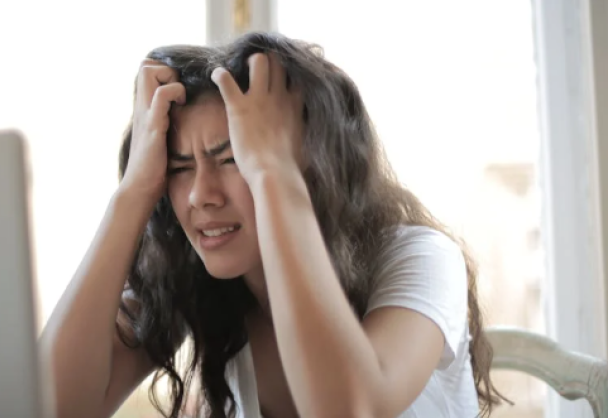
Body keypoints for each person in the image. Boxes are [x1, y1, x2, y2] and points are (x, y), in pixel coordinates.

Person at [40, 32, 506, 418]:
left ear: (314, 165)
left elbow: (350, 409)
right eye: (179, 167)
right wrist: (134, 191)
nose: (201, 195)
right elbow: (49, 407)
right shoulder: (196, 279)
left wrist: (273, 174)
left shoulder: (422, 258)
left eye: (233, 159)